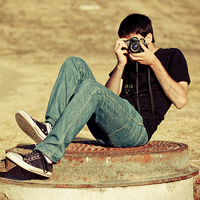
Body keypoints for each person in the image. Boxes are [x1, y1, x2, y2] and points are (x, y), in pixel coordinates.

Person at [6, 13, 190, 178]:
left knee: (91, 87)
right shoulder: (127, 62)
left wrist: (153, 62)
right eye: (126, 43)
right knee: (74, 63)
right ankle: (50, 127)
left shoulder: (171, 56)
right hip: (109, 128)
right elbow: (107, 98)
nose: (131, 47)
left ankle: (46, 158)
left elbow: (181, 100)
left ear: (148, 37)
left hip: (137, 130)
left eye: (133, 41)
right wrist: (120, 64)